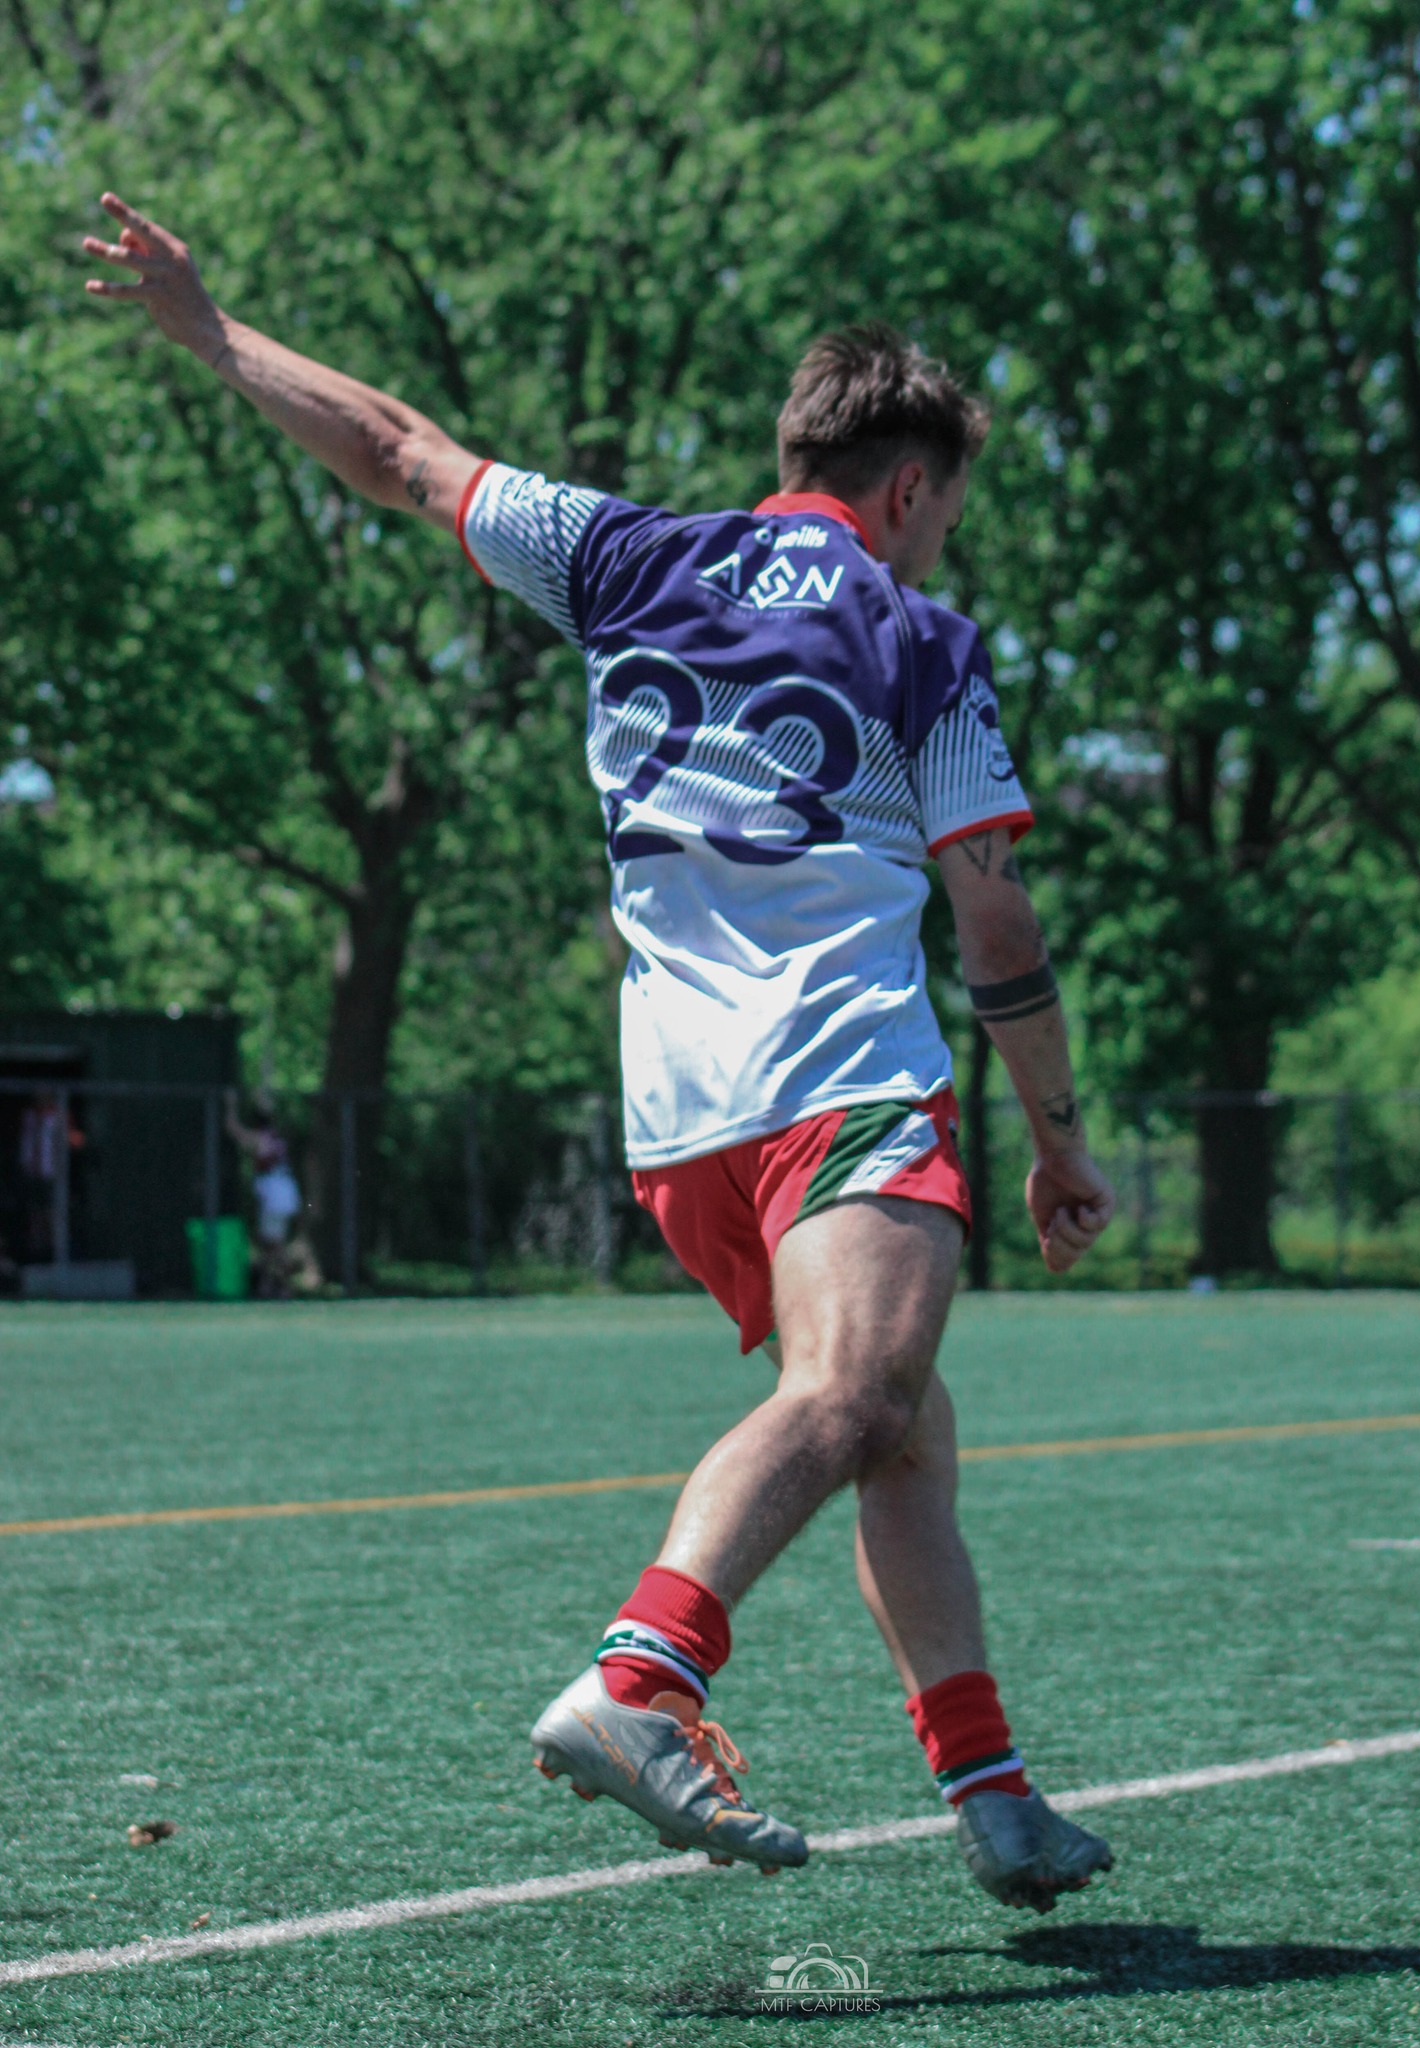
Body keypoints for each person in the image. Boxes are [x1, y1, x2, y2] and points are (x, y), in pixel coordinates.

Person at [85, 193, 1119, 1912]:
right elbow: (994, 926)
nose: (941, 536)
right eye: (947, 505)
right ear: (910, 485)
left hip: (677, 1118)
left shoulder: (624, 553)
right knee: (851, 1392)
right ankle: (643, 1681)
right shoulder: (919, 637)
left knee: (899, 1422)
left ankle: (989, 1783)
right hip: (846, 1074)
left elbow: (402, 452)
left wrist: (208, 332)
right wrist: (1061, 1141)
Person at [224, 1092, 303, 1298]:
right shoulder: (275, 1135)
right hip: (284, 1191)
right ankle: (267, 1286)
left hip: (275, 1194)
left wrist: (230, 1106)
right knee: (269, 1242)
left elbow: (233, 1130)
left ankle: (284, 1286)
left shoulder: (260, 1137)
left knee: (274, 1243)